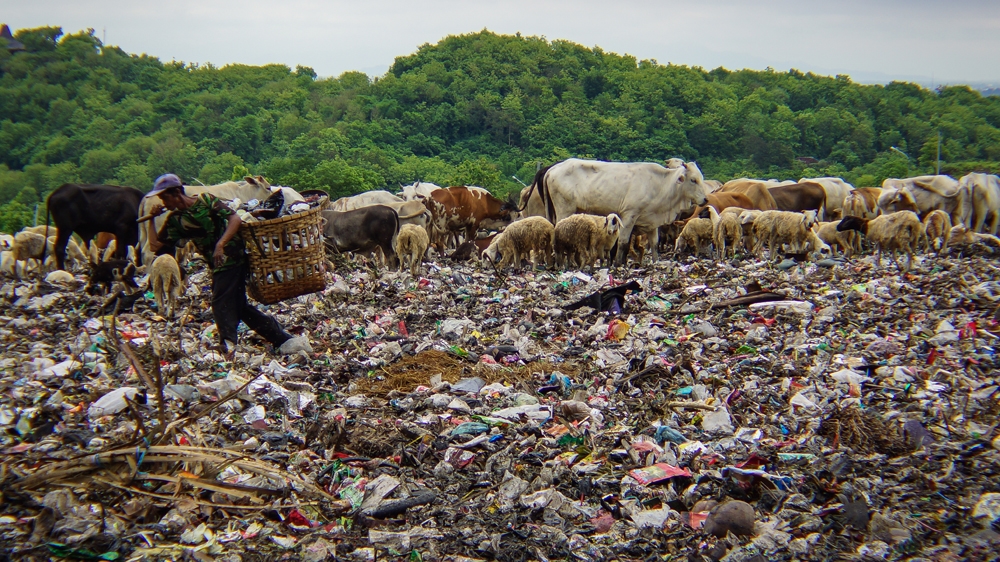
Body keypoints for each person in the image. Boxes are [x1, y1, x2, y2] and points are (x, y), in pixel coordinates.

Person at [145, 173, 311, 358]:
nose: (163, 202)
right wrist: (151, 219)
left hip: (232, 255)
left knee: (220, 301)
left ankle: (228, 343)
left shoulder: (205, 201)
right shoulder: (175, 220)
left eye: (164, 197)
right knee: (240, 306)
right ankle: (280, 338)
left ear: (176, 193)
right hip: (215, 263)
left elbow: (235, 219)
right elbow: (155, 246)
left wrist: (221, 244)